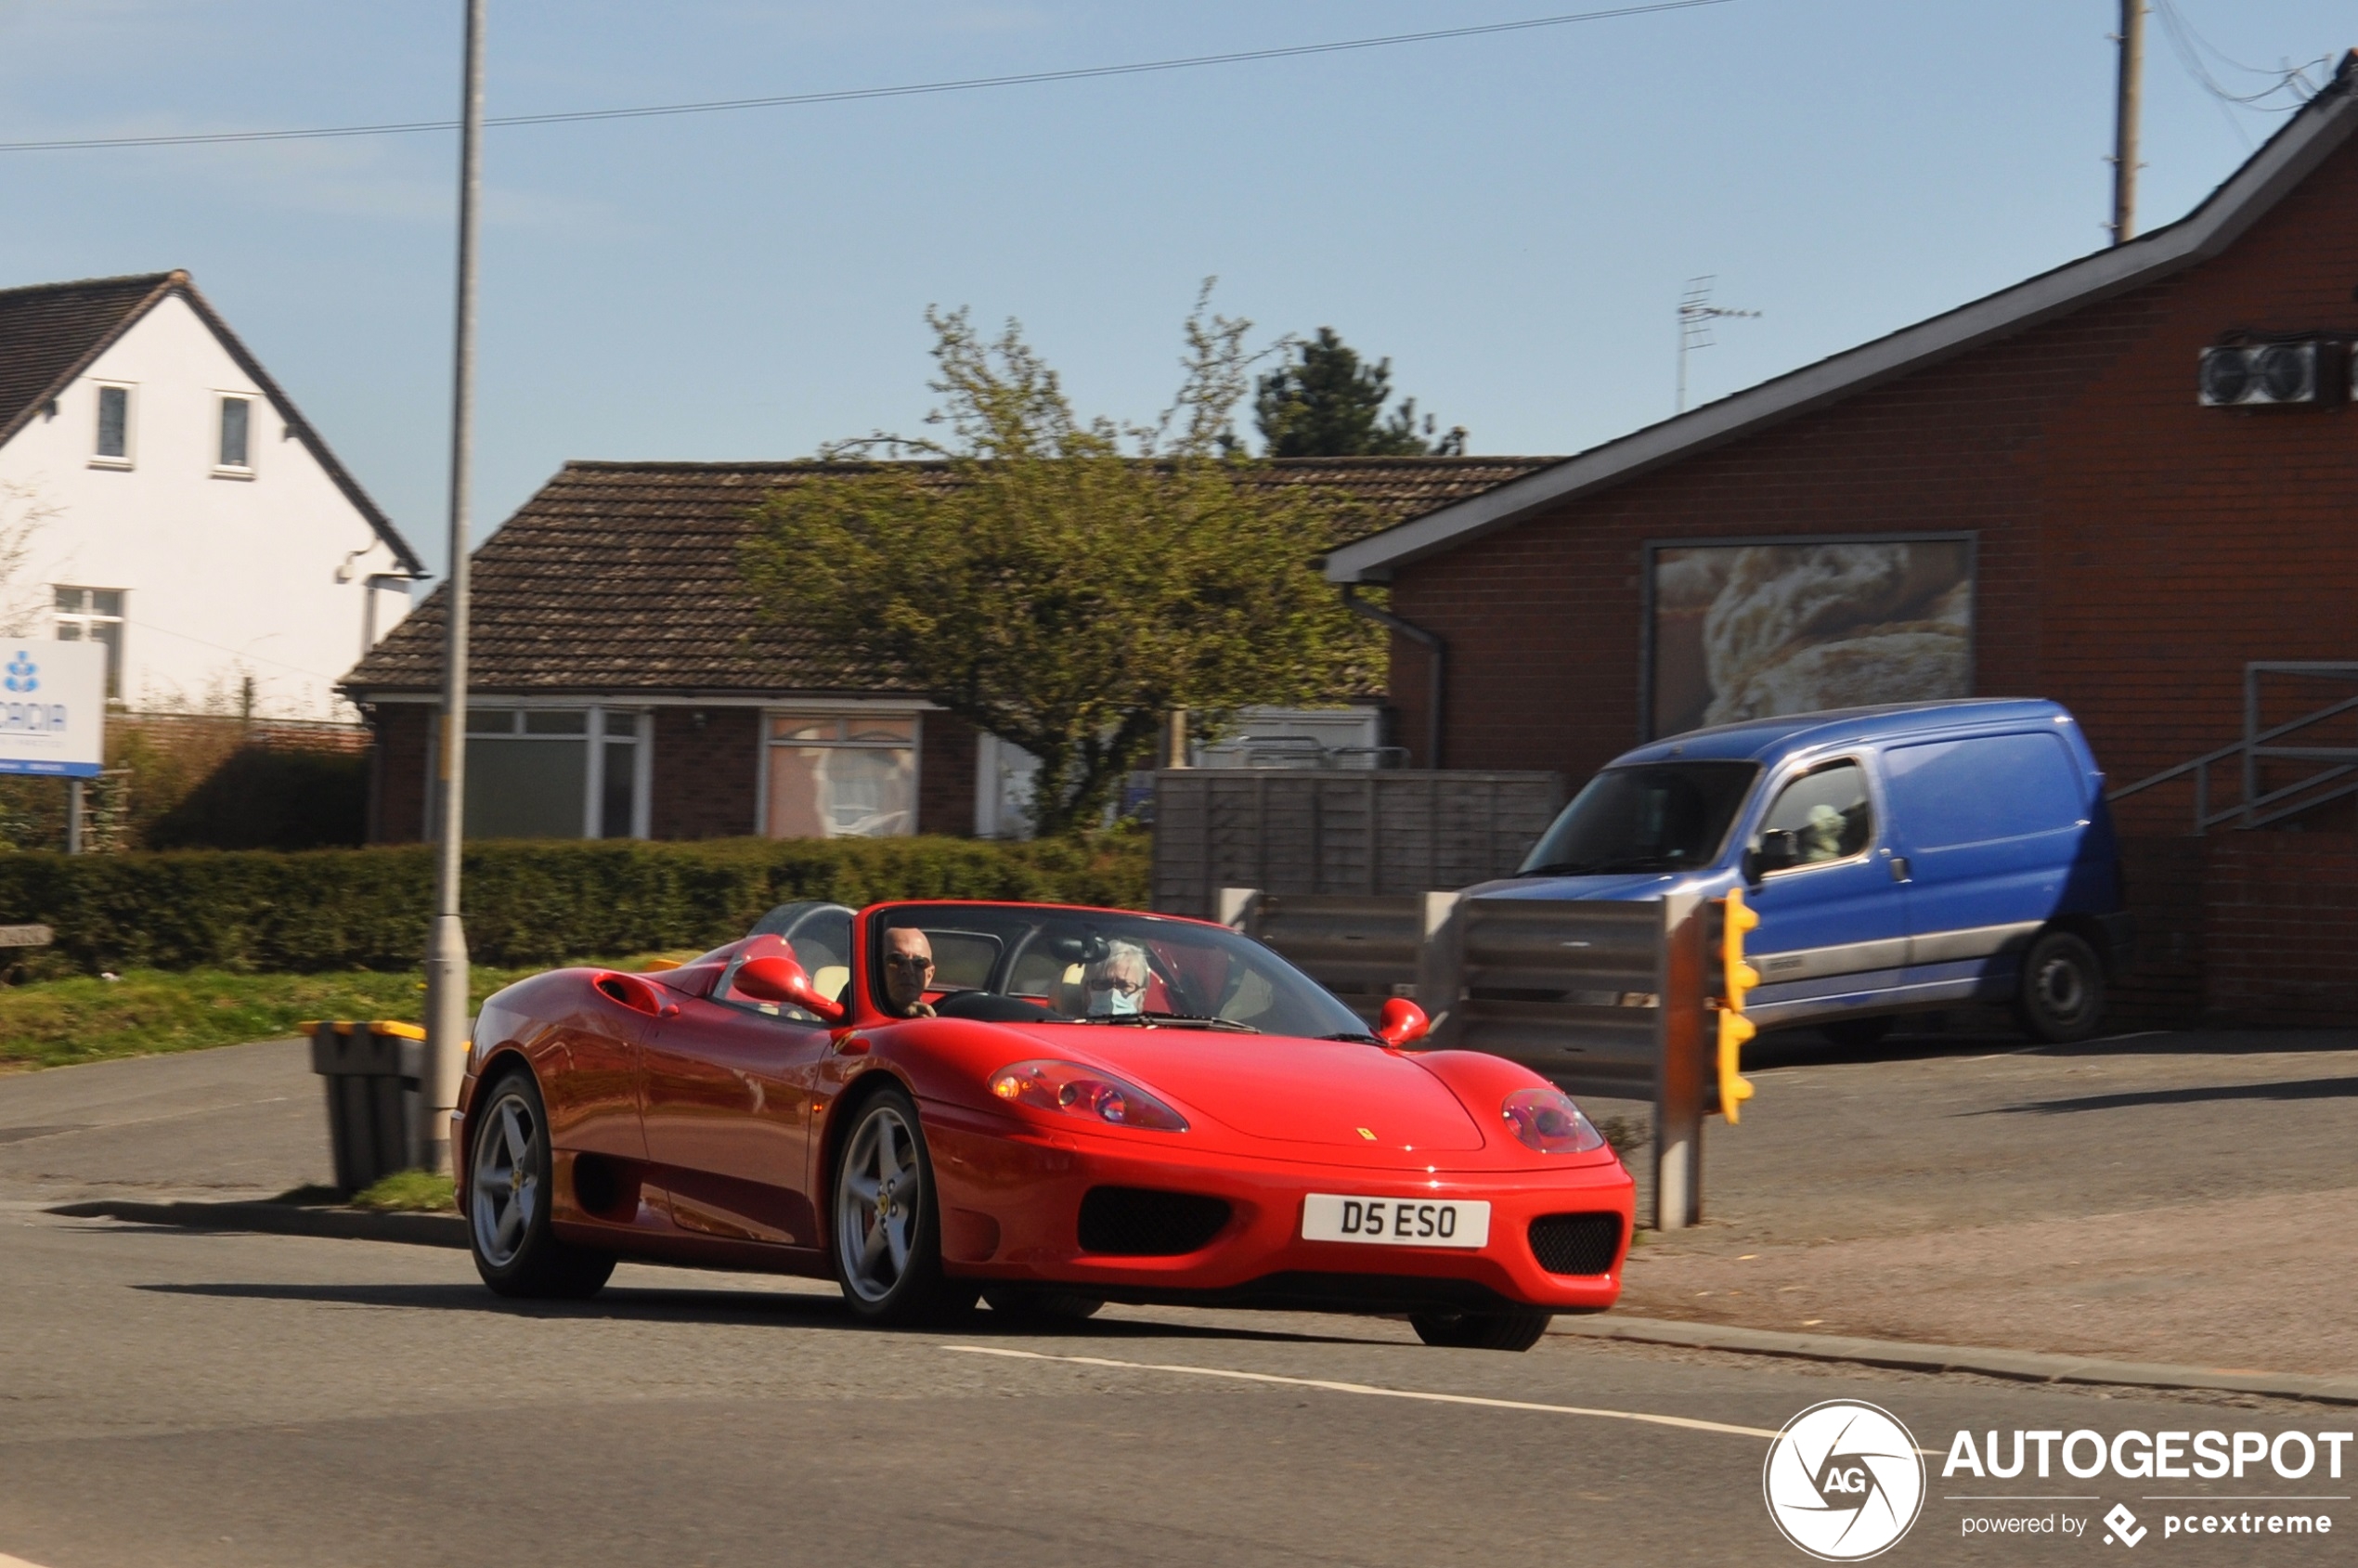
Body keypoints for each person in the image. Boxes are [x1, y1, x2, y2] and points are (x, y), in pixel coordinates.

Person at [880, 927, 937, 1018]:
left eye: (919, 962)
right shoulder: (852, 1012)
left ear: (929, 975)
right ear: (876, 968)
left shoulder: (943, 1018)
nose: (908, 971)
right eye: (897, 960)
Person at [1083, 940, 1150, 1017]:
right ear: (1086, 993)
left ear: (1141, 996)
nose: (1113, 994)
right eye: (1103, 984)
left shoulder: (1163, 1028)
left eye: (1124, 985)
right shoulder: (1069, 1028)